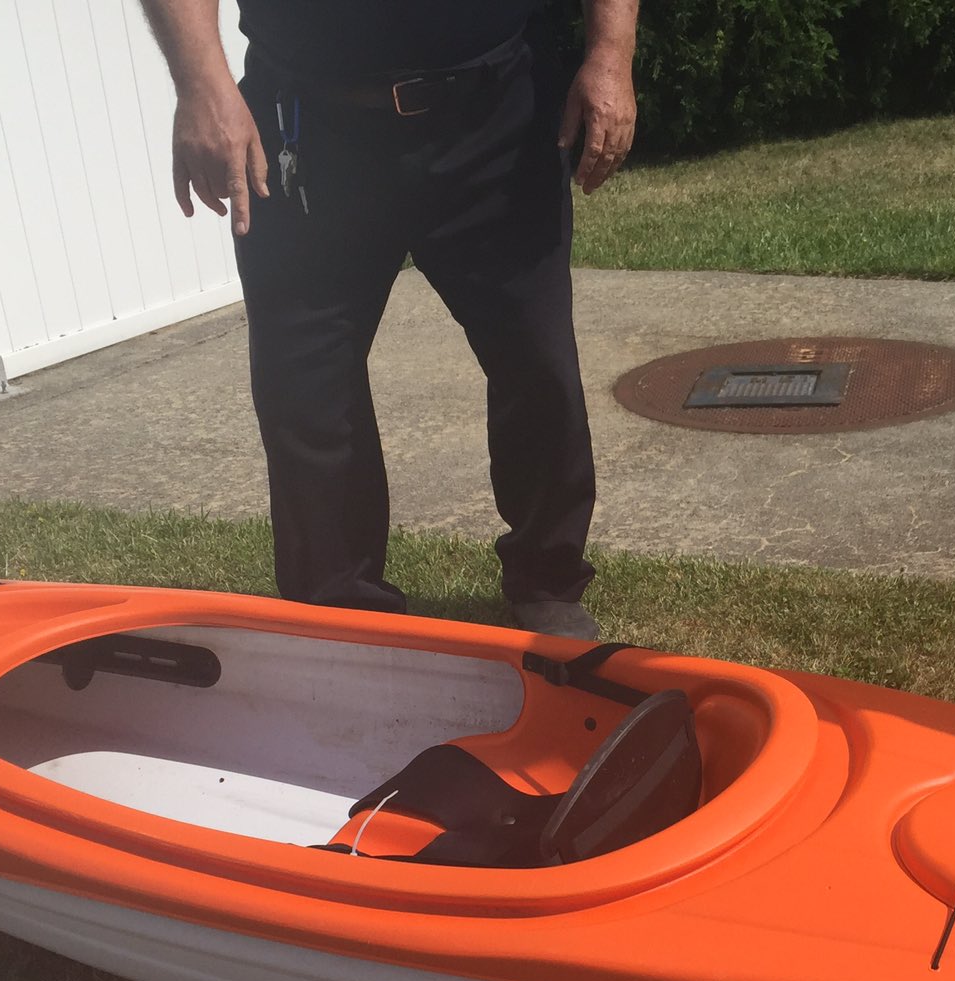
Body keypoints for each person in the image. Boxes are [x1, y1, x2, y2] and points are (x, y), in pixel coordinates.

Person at [140, 0, 639, 640]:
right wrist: (202, 85)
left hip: (494, 117)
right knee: (307, 386)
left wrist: (611, 54)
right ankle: (339, 613)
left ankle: (548, 580)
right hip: (305, 128)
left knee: (537, 360)